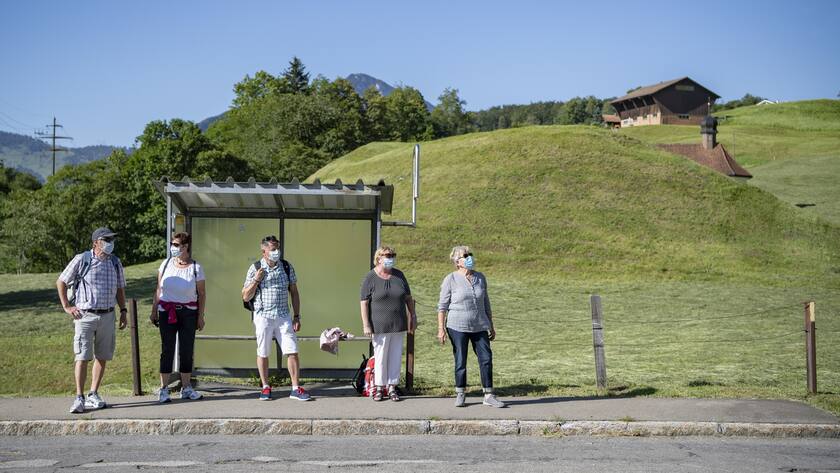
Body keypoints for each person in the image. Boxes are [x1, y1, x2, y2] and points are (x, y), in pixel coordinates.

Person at [56, 227, 127, 414]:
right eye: (106, 240)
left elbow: (120, 289)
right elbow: (61, 281)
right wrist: (66, 306)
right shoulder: (82, 259)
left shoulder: (115, 262)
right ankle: (79, 397)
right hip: (85, 315)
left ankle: (93, 393)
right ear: (96, 242)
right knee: (82, 356)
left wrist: (124, 311)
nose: (110, 243)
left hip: (108, 314)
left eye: (112, 240)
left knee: (102, 356)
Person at [242, 235, 310, 401]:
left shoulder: (286, 266)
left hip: (283, 315)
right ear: (264, 251)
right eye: (273, 249)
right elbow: (245, 296)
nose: (276, 252)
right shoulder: (255, 268)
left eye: (277, 248)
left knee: (292, 350)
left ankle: (295, 388)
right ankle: (265, 387)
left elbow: (294, 292)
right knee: (263, 352)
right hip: (263, 316)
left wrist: (296, 316)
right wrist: (256, 280)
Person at [437, 245, 505, 408]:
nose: (470, 258)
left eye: (470, 255)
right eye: (465, 255)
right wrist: (441, 329)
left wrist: (491, 325)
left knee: (486, 358)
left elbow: (485, 302)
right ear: (457, 261)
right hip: (457, 325)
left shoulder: (480, 277)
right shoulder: (450, 279)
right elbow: (442, 306)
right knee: (461, 360)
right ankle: (461, 392)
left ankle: (488, 394)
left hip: (480, 325)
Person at [150, 232, 206, 403]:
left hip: (188, 312)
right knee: (167, 349)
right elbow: (159, 289)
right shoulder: (165, 264)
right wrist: (154, 310)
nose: (173, 247)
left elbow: (202, 293)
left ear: (186, 246)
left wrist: (200, 316)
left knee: (186, 350)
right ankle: (164, 389)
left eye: (177, 245)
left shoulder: (196, 267)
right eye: (172, 244)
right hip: (167, 311)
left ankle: (186, 387)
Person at [360, 246, 416, 402]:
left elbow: (408, 298)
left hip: (398, 324)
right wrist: (366, 324)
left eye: (393, 255)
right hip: (379, 325)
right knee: (381, 356)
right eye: (387, 255)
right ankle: (379, 387)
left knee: (395, 355)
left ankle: (392, 387)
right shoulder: (370, 277)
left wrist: (413, 315)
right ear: (379, 257)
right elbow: (364, 302)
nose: (391, 257)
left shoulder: (399, 275)